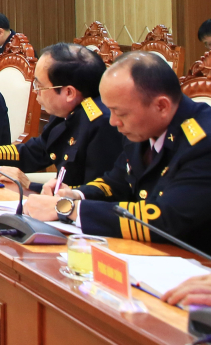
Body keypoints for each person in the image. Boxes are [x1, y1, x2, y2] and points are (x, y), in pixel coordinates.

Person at [25, 52, 211, 250]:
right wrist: (75, 195)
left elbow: (166, 218)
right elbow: (117, 181)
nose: (113, 121)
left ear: (161, 106)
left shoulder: (203, 142)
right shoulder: (143, 127)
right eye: (110, 110)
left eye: (120, 113)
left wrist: (69, 209)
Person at [0, 42, 125, 190]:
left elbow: (94, 195)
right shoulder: (67, 112)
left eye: (39, 85)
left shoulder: (102, 124)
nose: (35, 92)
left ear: (69, 93)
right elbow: (32, 153)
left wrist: (30, 186)